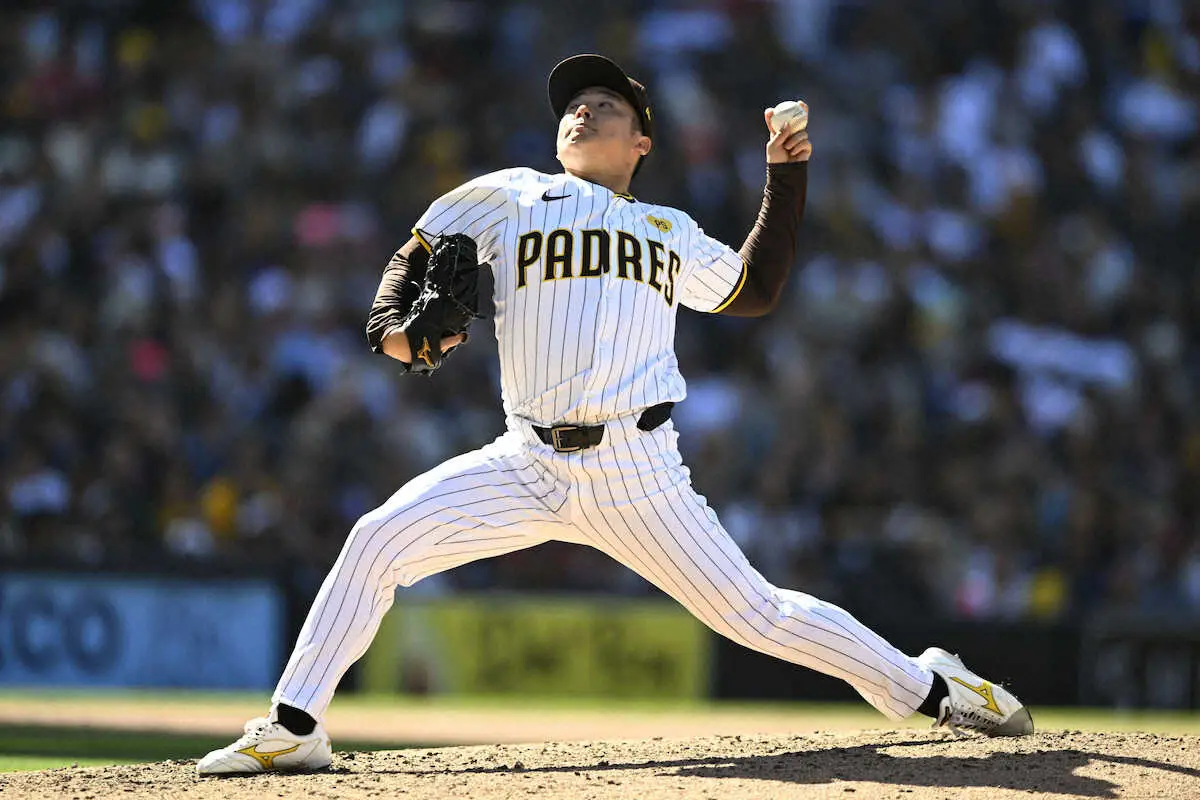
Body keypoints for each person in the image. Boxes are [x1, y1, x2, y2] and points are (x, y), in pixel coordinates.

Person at [197, 54, 1032, 776]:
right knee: (377, 540)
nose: (582, 111)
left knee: (759, 616)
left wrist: (784, 175)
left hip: (638, 472)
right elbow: (411, 259)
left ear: (642, 143)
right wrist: (389, 330)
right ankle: (295, 727)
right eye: (573, 104)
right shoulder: (508, 195)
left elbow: (755, 289)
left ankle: (932, 686)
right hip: (525, 462)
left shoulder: (668, 228)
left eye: (606, 105)